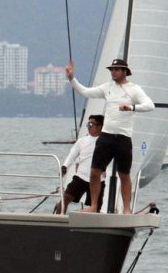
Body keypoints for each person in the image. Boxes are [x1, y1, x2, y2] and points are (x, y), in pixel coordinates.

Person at [65, 58, 154, 214]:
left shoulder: (134, 89)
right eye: (112, 69)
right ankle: (93, 206)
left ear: (125, 71)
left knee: (124, 174)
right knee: (95, 171)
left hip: (123, 137)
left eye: (117, 69)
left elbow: (149, 105)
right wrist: (72, 78)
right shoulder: (107, 87)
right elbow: (85, 92)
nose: (113, 72)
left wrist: (131, 107)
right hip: (106, 136)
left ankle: (126, 209)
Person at [54, 115, 105, 214]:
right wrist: (65, 166)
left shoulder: (105, 141)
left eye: (91, 124)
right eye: (87, 124)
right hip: (80, 177)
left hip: (97, 180)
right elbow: (72, 156)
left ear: (100, 126)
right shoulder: (82, 141)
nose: (88, 126)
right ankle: (58, 220)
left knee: (96, 208)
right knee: (64, 200)